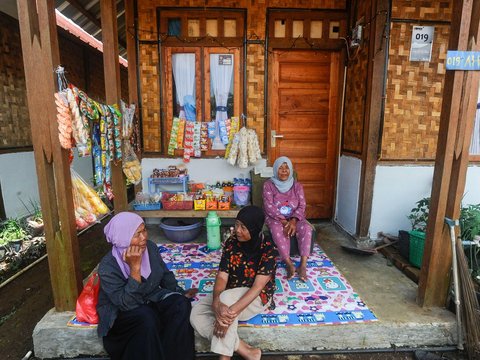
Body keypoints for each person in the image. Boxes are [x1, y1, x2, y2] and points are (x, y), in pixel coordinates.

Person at [96, 212, 198, 360]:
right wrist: (135, 269)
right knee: (146, 317)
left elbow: (164, 274)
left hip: (149, 300)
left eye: (144, 230)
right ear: (123, 237)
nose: (144, 237)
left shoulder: (149, 248)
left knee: (180, 305)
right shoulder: (108, 267)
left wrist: (179, 292)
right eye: (137, 234)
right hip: (121, 313)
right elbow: (127, 304)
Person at [190, 206, 277, 360]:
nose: (237, 230)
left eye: (243, 227)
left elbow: (257, 288)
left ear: (254, 228)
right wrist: (216, 302)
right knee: (196, 314)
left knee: (226, 303)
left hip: (256, 298)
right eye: (236, 224)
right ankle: (246, 350)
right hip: (229, 295)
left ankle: (224, 357)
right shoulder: (232, 242)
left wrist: (226, 317)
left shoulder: (268, 248)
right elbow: (222, 276)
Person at [263, 156, 313, 282]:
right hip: (275, 218)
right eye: (280, 168)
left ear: (290, 170)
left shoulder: (297, 186)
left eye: (287, 168)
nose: (284, 170)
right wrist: (284, 221)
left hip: (295, 218)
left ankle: (303, 265)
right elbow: (269, 206)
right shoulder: (268, 185)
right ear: (275, 170)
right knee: (276, 228)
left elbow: (302, 205)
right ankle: (289, 264)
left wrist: (293, 220)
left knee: (306, 228)